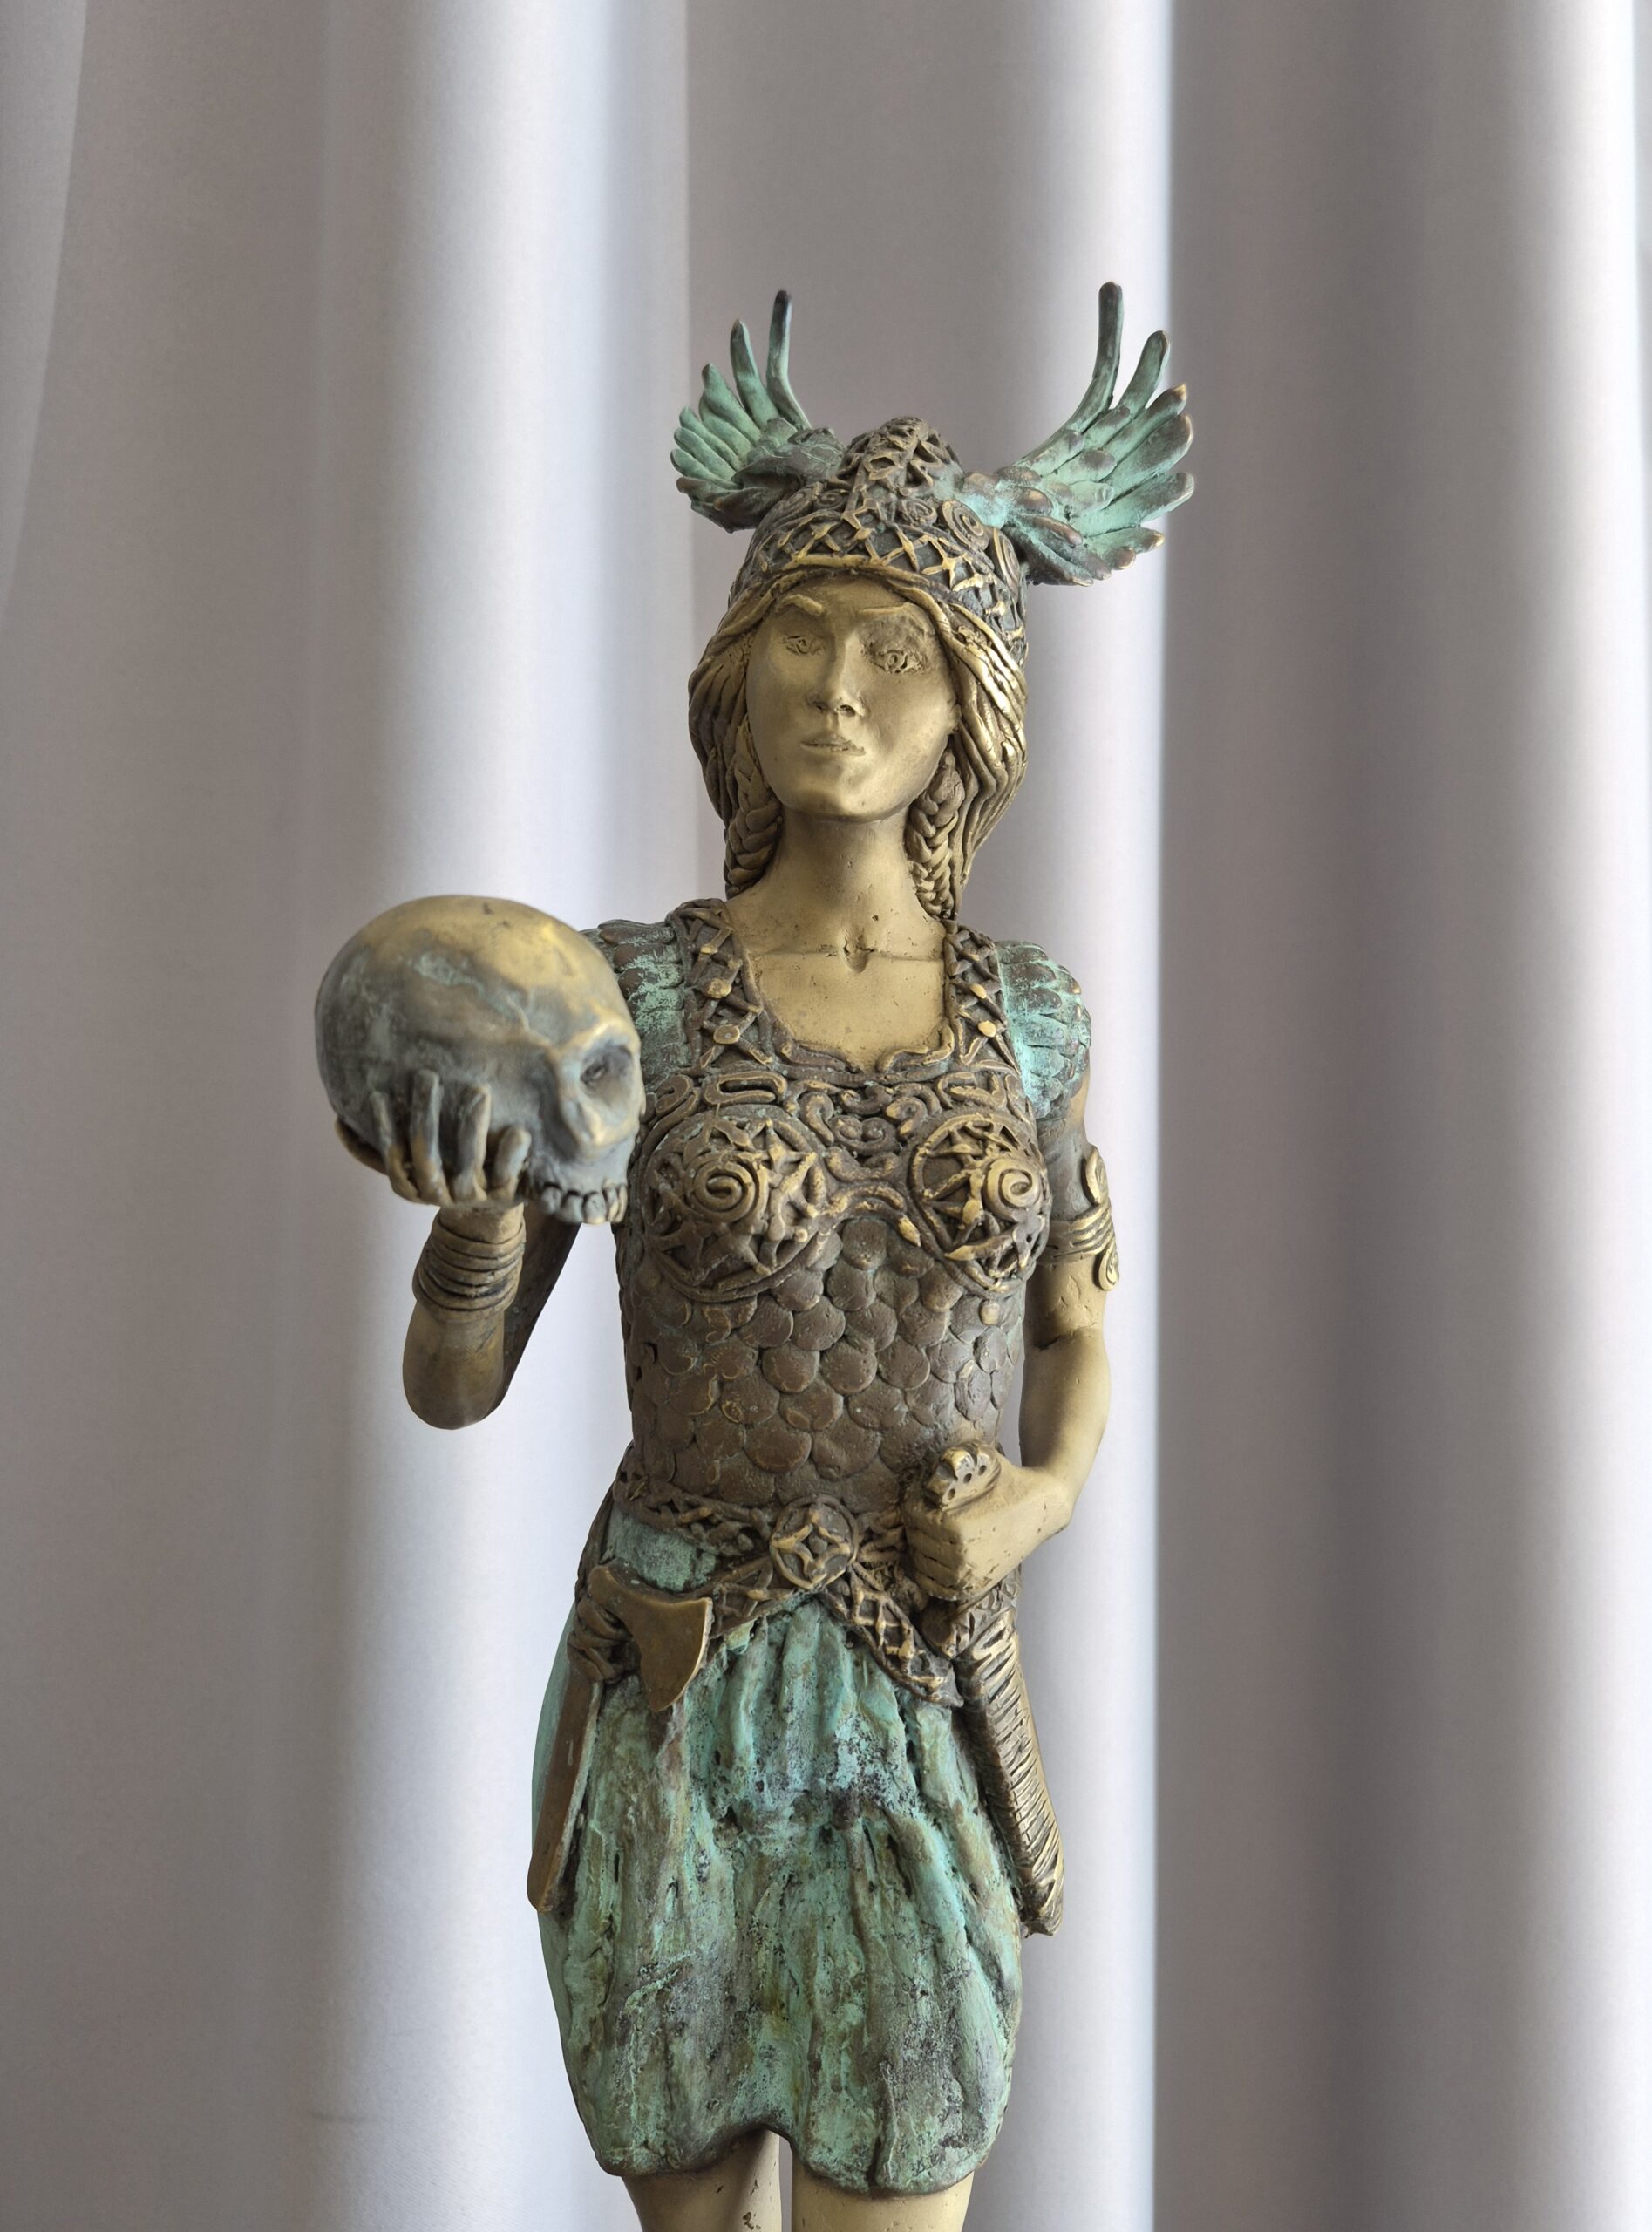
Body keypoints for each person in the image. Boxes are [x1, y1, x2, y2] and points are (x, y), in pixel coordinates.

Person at [347, 293, 1191, 2232]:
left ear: (971, 698)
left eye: (895, 647)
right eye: (801, 636)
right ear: (735, 676)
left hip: (914, 1685)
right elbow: (454, 1387)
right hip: (678, 1675)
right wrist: (477, 1231)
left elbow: (1074, 1335)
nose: (839, 687)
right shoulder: (627, 997)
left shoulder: (1034, 1019)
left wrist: (1040, 1498)